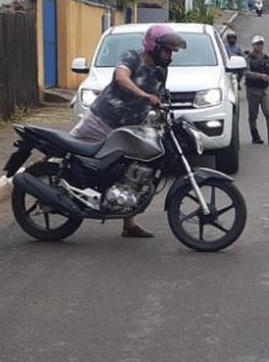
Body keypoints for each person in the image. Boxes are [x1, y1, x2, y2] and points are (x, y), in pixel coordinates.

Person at [69, 24, 186, 238]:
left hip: (128, 130)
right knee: (67, 151)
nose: (170, 55)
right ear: (153, 46)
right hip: (99, 121)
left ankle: (128, 223)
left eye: (172, 51)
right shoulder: (132, 57)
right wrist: (145, 96)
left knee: (129, 170)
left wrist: (165, 118)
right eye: (167, 50)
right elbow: (122, 78)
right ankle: (43, 179)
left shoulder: (161, 71)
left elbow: (158, 97)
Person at [244, 35, 269, 145]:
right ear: (253, 45)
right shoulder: (248, 58)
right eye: (257, 44)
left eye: (261, 43)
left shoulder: (266, 58)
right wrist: (259, 76)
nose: (260, 46)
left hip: (264, 90)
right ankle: (255, 136)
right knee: (253, 115)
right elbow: (246, 73)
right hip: (253, 90)